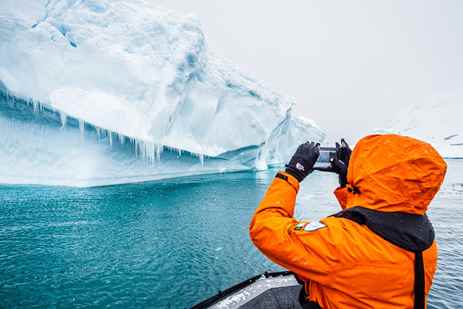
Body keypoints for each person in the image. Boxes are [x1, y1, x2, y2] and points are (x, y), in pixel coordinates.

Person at [249, 134, 447, 309]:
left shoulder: (339, 242)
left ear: (371, 175)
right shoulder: (423, 240)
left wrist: (292, 174)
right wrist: (349, 186)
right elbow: (373, 223)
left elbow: (264, 228)